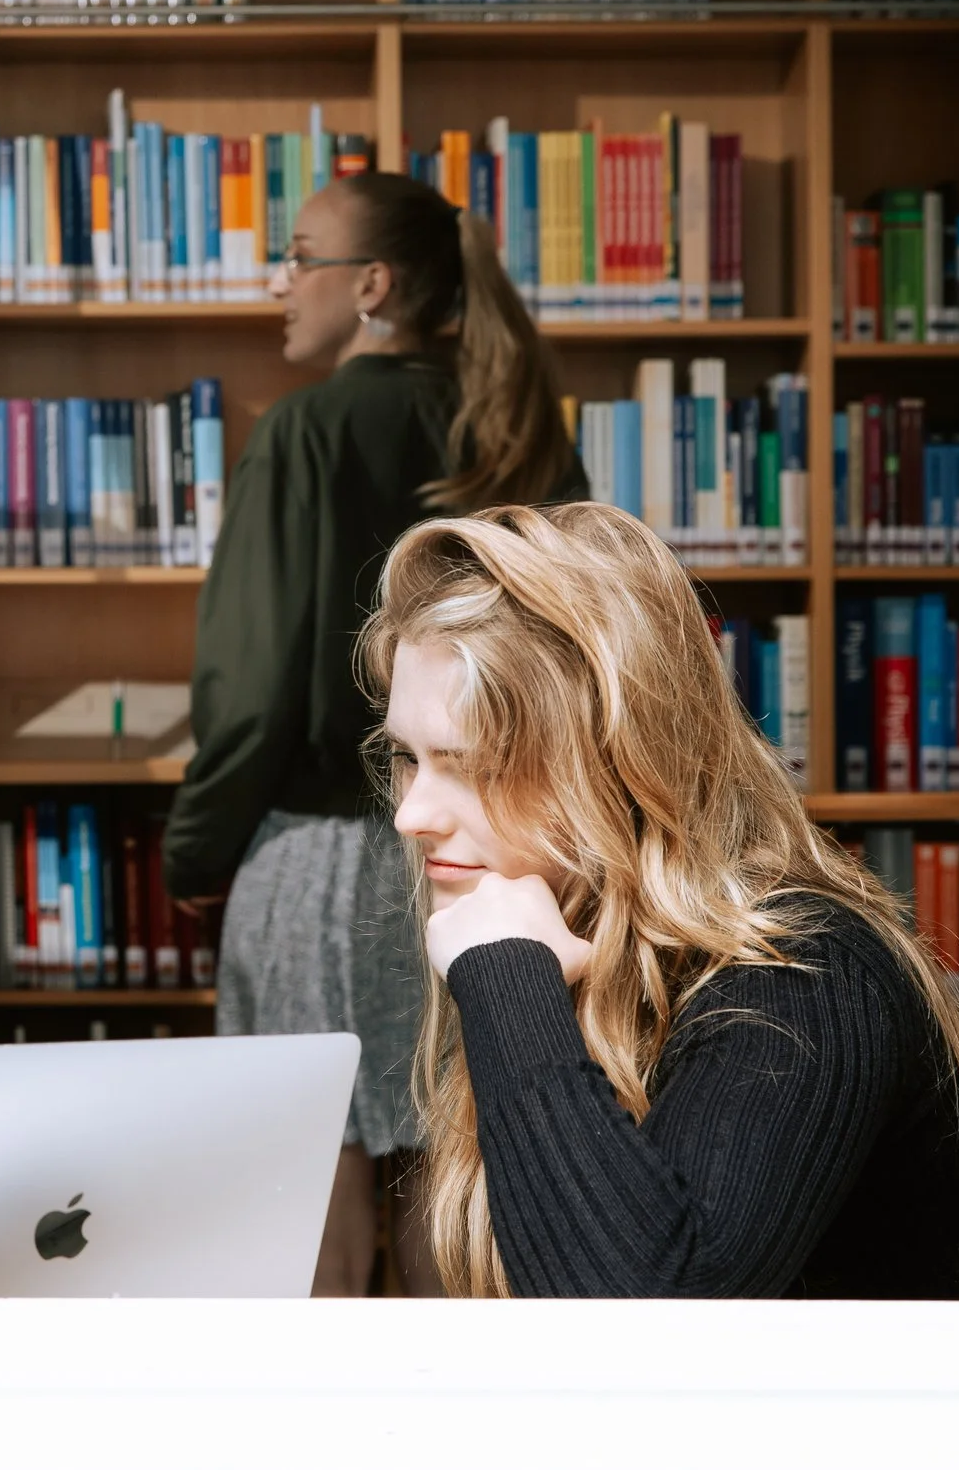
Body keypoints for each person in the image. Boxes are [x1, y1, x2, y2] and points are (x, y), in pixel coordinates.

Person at [364, 502, 959, 1298]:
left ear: (617, 763)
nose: (411, 814)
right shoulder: (567, 929)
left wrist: (508, 977)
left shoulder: (806, 974)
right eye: (407, 758)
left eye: (472, 764)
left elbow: (647, 1324)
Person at [162, 172, 583, 1295]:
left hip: (325, 860)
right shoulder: (522, 430)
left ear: (374, 286)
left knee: (320, 1215)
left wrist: (196, 852)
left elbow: (252, 691)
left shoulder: (304, 430)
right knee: (465, 1189)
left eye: (301, 256)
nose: (281, 283)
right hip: (505, 854)